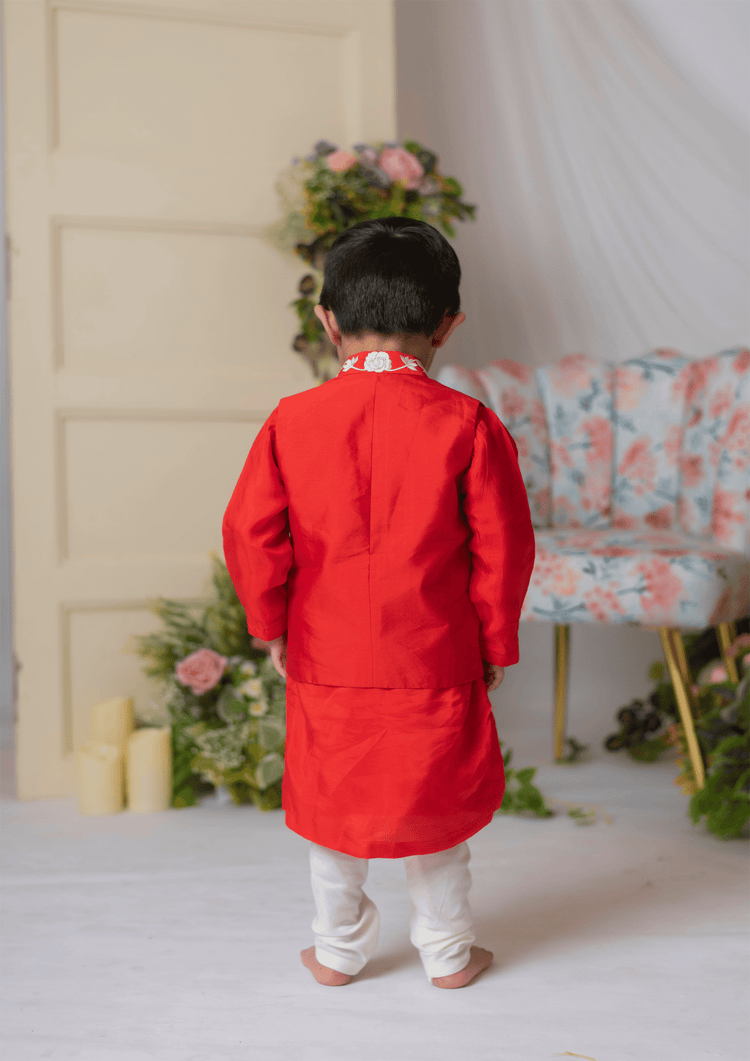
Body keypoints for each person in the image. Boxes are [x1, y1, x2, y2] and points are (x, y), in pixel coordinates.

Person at [222, 216, 535, 990]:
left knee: (335, 810)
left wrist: (270, 626)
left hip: (325, 657)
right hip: (434, 656)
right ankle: (449, 952)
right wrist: (494, 643)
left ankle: (337, 951)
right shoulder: (469, 424)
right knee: (437, 809)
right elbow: (505, 549)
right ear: (449, 324)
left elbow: (251, 534)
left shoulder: (290, 422)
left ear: (326, 319)